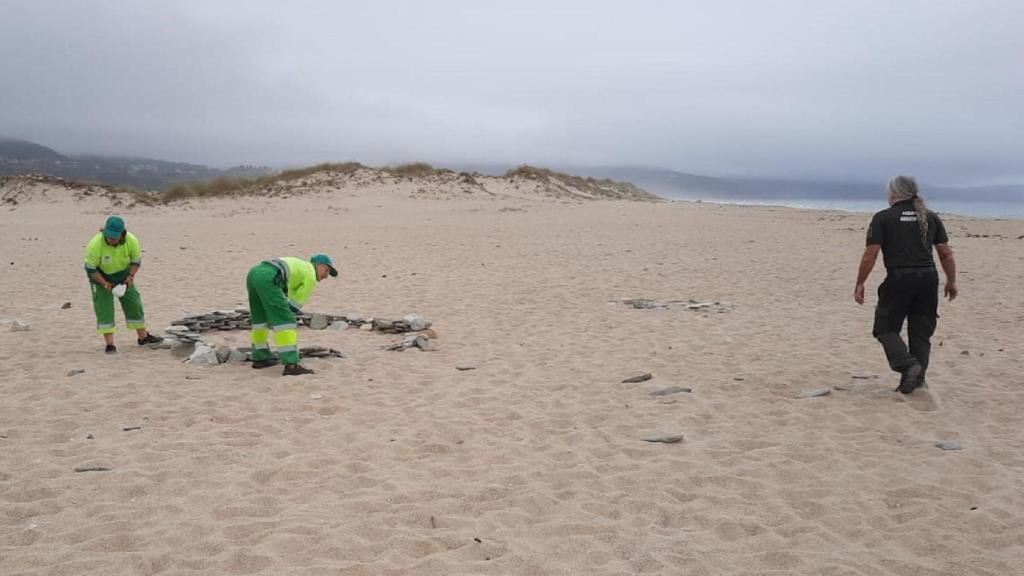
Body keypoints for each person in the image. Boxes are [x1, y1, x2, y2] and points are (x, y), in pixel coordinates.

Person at [854, 176, 957, 393]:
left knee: (884, 328)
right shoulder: (930, 217)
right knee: (920, 333)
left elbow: (870, 255)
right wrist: (951, 281)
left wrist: (860, 283)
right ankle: (916, 382)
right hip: (928, 279)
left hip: (899, 279)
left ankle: (908, 365)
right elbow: (945, 254)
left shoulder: (883, 218)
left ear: (893, 194)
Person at [246, 254, 338, 376]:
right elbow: (293, 306)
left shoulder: (301, 267)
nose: (326, 276)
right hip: (269, 277)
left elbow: (286, 294)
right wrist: (284, 315)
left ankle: (260, 357)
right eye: (327, 271)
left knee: (260, 319)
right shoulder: (310, 275)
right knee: (286, 322)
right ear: (319, 266)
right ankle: (291, 365)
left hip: (254, 273)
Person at [84, 215, 164, 354]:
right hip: (100, 278)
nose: (112, 239)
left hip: (123, 276)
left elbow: (136, 261)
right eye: (109, 236)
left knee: (134, 304)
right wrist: (105, 285)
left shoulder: (131, 240)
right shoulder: (95, 245)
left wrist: (130, 277)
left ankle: (143, 337)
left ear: (122, 233)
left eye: (115, 236)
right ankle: (110, 345)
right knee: (105, 310)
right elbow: (91, 269)